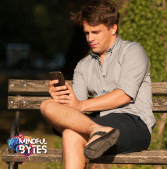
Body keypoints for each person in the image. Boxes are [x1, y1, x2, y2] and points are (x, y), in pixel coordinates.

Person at [39, 0, 156, 168]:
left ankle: (98, 131)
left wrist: (80, 105)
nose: (90, 38)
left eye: (95, 32)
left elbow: (123, 95)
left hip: (134, 122)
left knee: (71, 132)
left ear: (113, 28)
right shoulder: (83, 65)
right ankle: (97, 131)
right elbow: (76, 109)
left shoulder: (132, 51)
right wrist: (62, 100)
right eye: (87, 33)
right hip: (98, 122)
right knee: (47, 106)